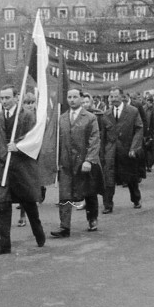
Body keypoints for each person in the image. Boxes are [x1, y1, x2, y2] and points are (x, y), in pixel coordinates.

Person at [0, 84, 46, 253]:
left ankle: (38, 231)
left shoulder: (27, 116)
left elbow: (34, 139)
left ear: (16, 97)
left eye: (7, 98)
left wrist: (19, 146)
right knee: (2, 204)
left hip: (22, 167)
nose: (4, 101)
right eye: (2, 98)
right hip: (3, 167)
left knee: (28, 203)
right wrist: (1, 152)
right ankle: (4, 243)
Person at [52, 88, 102, 238]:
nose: (72, 100)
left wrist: (89, 160)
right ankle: (64, 227)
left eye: (75, 97)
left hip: (84, 163)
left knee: (88, 192)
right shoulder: (62, 118)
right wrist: (56, 161)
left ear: (81, 98)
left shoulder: (90, 118)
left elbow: (94, 140)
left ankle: (92, 219)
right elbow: (57, 141)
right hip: (66, 163)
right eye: (69, 97)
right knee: (64, 194)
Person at [101, 87, 144, 213]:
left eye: (115, 96)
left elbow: (139, 129)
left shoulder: (132, 111)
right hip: (111, 151)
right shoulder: (106, 114)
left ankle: (136, 199)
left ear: (122, 96)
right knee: (108, 178)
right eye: (111, 97)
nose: (113, 99)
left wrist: (134, 147)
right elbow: (103, 135)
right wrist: (103, 153)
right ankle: (108, 205)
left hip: (127, 151)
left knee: (131, 178)